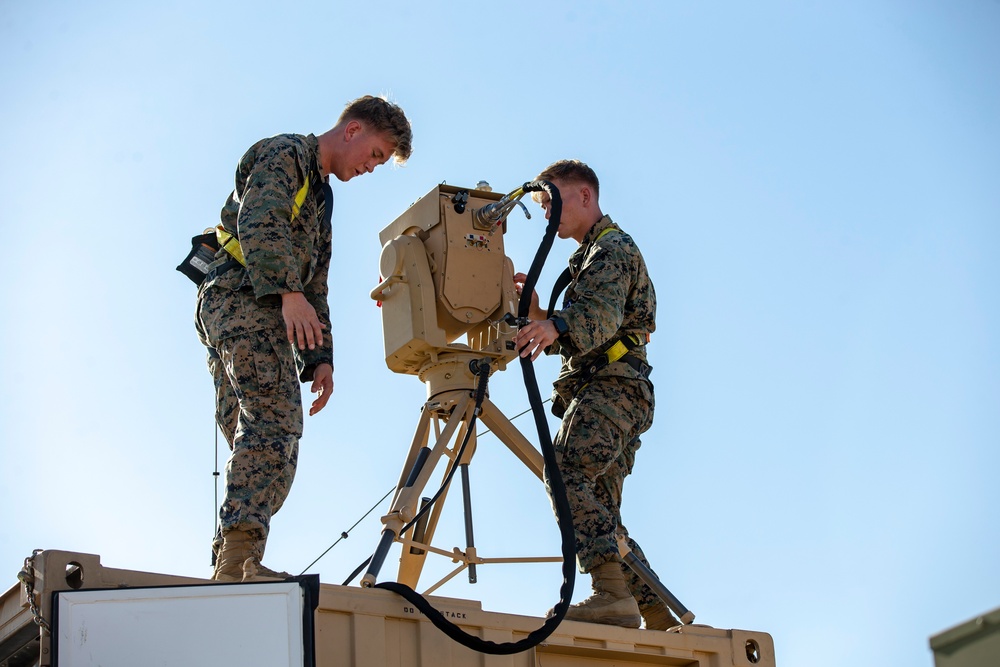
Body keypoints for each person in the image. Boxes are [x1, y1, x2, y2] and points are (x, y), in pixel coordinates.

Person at [195, 95, 413, 582]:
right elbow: (261, 218)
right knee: (273, 423)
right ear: (353, 130)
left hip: (256, 303)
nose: (371, 168)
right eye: (376, 154)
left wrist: (320, 358)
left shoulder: (321, 197)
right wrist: (287, 291)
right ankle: (237, 563)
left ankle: (234, 561)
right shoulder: (288, 153)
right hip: (243, 295)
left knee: (258, 436)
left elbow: (318, 283)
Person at [513, 160, 680, 630]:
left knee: (564, 472)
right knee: (599, 510)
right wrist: (543, 314)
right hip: (616, 386)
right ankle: (653, 609)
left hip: (614, 388)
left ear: (584, 196)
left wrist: (555, 323)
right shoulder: (591, 254)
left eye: (551, 203)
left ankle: (612, 594)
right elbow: (589, 325)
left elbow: (597, 319)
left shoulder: (610, 249)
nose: (547, 216)